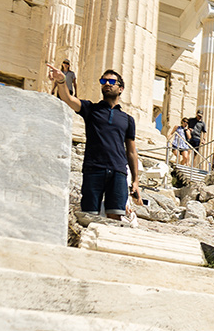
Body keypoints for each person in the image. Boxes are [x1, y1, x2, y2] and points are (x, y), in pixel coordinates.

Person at [47, 65, 142, 219]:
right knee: (88, 216)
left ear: (121, 89)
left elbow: (131, 151)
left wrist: (136, 181)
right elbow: (68, 99)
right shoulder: (91, 109)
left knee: (116, 217)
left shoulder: (128, 119)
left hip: (118, 171)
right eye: (103, 81)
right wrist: (61, 81)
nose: (107, 83)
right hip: (93, 169)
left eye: (112, 81)